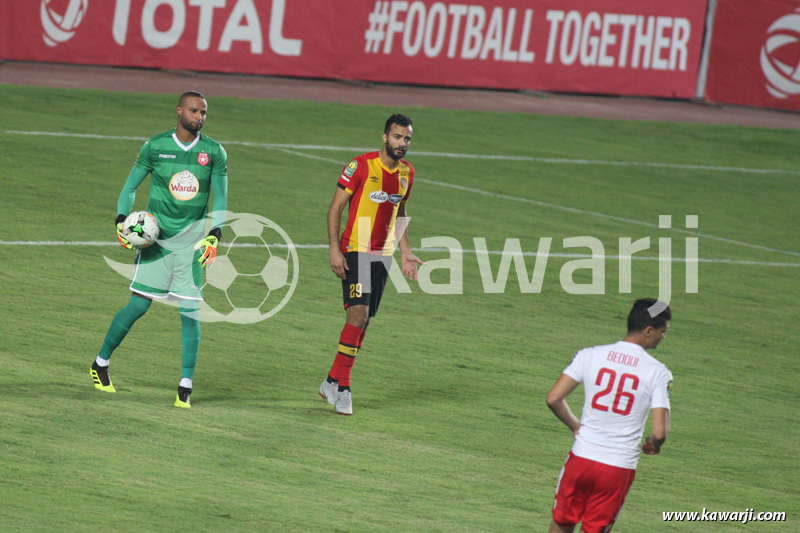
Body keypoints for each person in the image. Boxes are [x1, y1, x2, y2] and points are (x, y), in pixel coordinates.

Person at [90, 91, 228, 409]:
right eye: (194, 111)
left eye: (204, 113)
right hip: (157, 244)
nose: (199, 117)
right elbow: (129, 188)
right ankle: (100, 363)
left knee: (190, 312)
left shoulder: (214, 152)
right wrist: (122, 222)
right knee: (138, 306)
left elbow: (219, 199)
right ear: (179, 110)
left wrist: (215, 235)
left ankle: (185, 387)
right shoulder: (155, 147)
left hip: (192, 246)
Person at [319, 114, 424, 415]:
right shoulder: (361, 166)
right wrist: (334, 250)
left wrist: (405, 252)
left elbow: (400, 212)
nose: (402, 143)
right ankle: (344, 390)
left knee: (364, 322)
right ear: (384, 137)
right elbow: (335, 208)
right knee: (358, 315)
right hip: (355, 250)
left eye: (407, 139)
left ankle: (330, 381)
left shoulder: (407, 173)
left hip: (382, 256)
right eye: (397, 137)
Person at [545, 298, 673, 533]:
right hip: (617, 467)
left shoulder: (590, 355)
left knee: (562, 523)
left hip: (581, 458)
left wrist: (576, 426)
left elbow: (553, 398)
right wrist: (654, 445)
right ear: (648, 331)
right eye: (663, 332)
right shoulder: (658, 373)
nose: (663, 337)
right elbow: (659, 432)